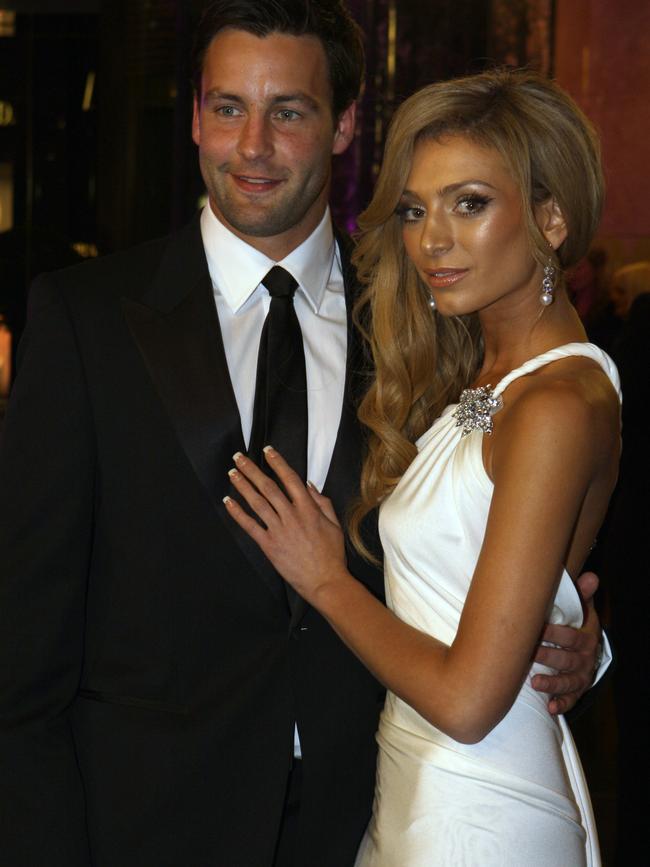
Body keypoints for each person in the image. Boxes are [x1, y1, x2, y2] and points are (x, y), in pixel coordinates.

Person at [0, 2, 603, 863]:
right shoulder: (85, 321)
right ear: (197, 120)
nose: (253, 147)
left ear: (345, 124)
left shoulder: (430, 323)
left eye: (288, 111)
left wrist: (580, 641)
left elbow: (486, 541)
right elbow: (23, 647)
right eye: (228, 109)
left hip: (369, 812)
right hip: (142, 823)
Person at [225, 68, 620, 866]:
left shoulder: (556, 404)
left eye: (469, 202)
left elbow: (471, 701)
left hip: (476, 808)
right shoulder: (485, 372)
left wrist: (325, 578)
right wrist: (579, 634)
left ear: (550, 216)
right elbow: (498, 589)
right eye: (415, 208)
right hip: (415, 787)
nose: (431, 238)